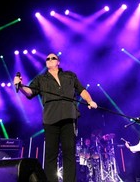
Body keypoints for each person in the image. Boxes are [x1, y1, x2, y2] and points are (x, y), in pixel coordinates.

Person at [14, 53, 98, 182]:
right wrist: (21, 86)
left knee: (69, 153)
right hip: (50, 119)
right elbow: (30, 92)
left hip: (69, 117)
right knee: (50, 155)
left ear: (58, 62)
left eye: (52, 58)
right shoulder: (41, 79)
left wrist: (89, 100)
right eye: (47, 59)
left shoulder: (69, 75)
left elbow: (81, 90)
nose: (49, 60)